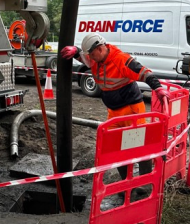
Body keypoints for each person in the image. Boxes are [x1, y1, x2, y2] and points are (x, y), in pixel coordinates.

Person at [61, 32, 170, 179]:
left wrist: (158, 88)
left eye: (91, 54)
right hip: (113, 110)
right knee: (114, 146)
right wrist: (75, 51)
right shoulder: (95, 59)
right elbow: (84, 58)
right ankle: (125, 181)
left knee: (139, 145)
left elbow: (144, 73)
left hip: (132, 108)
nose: (90, 58)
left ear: (100, 49)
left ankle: (145, 181)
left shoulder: (121, 59)